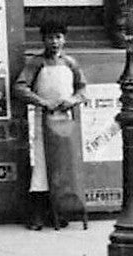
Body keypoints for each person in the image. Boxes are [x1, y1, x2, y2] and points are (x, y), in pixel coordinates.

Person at [13, 21, 87, 230]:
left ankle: (59, 211)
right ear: (43, 40)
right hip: (43, 120)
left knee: (64, 164)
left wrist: (72, 100)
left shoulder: (71, 63)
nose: (54, 42)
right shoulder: (36, 63)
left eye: (58, 37)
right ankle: (37, 215)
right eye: (49, 38)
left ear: (64, 39)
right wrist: (41, 101)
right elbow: (20, 87)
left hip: (66, 121)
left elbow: (82, 89)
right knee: (42, 165)